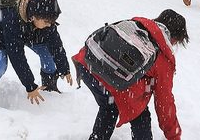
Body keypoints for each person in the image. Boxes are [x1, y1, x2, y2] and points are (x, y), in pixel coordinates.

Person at [72, 9, 188, 140]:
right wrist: (174, 135)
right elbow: (164, 101)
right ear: (175, 38)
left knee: (109, 107)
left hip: (87, 63)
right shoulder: (163, 56)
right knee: (140, 115)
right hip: (108, 77)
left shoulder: (136, 25)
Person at [0, 0, 71, 110]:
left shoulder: (45, 20)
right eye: (46, 22)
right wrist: (30, 86)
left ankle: (49, 86)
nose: (50, 25)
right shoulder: (12, 18)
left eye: (51, 22)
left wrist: (64, 68)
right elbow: (17, 57)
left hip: (24, 32)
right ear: (34, 16)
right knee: (0, 64)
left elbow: (56, 44)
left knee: (46, 51)